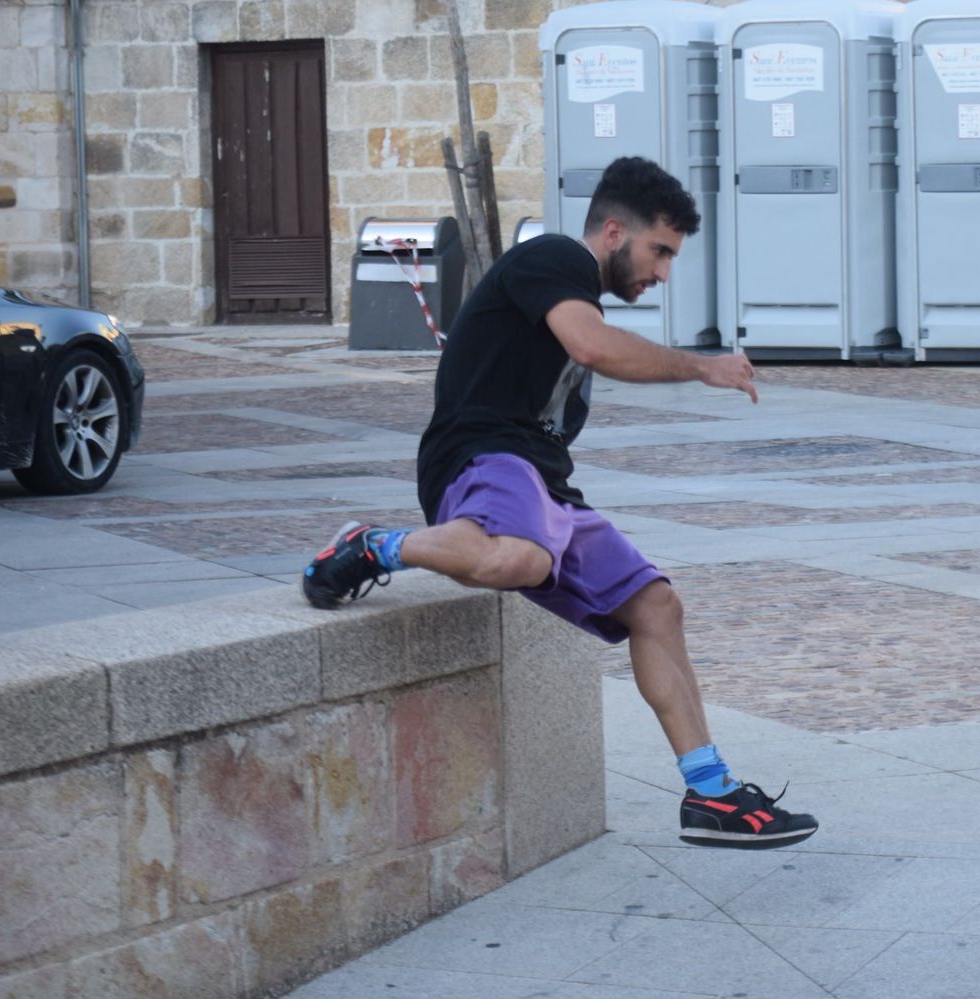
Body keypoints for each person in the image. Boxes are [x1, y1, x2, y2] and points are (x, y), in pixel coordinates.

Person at [301, 156, 818, 851]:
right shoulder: (552, 259)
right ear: (612, 231)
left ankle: (712, 793)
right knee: (518, 556)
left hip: (541, 481)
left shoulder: (577, 288)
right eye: (659, 251)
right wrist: (702, 365)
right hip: (482, 455)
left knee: (655, 605)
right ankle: (371, 546)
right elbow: (592, 346)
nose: (663, 272)